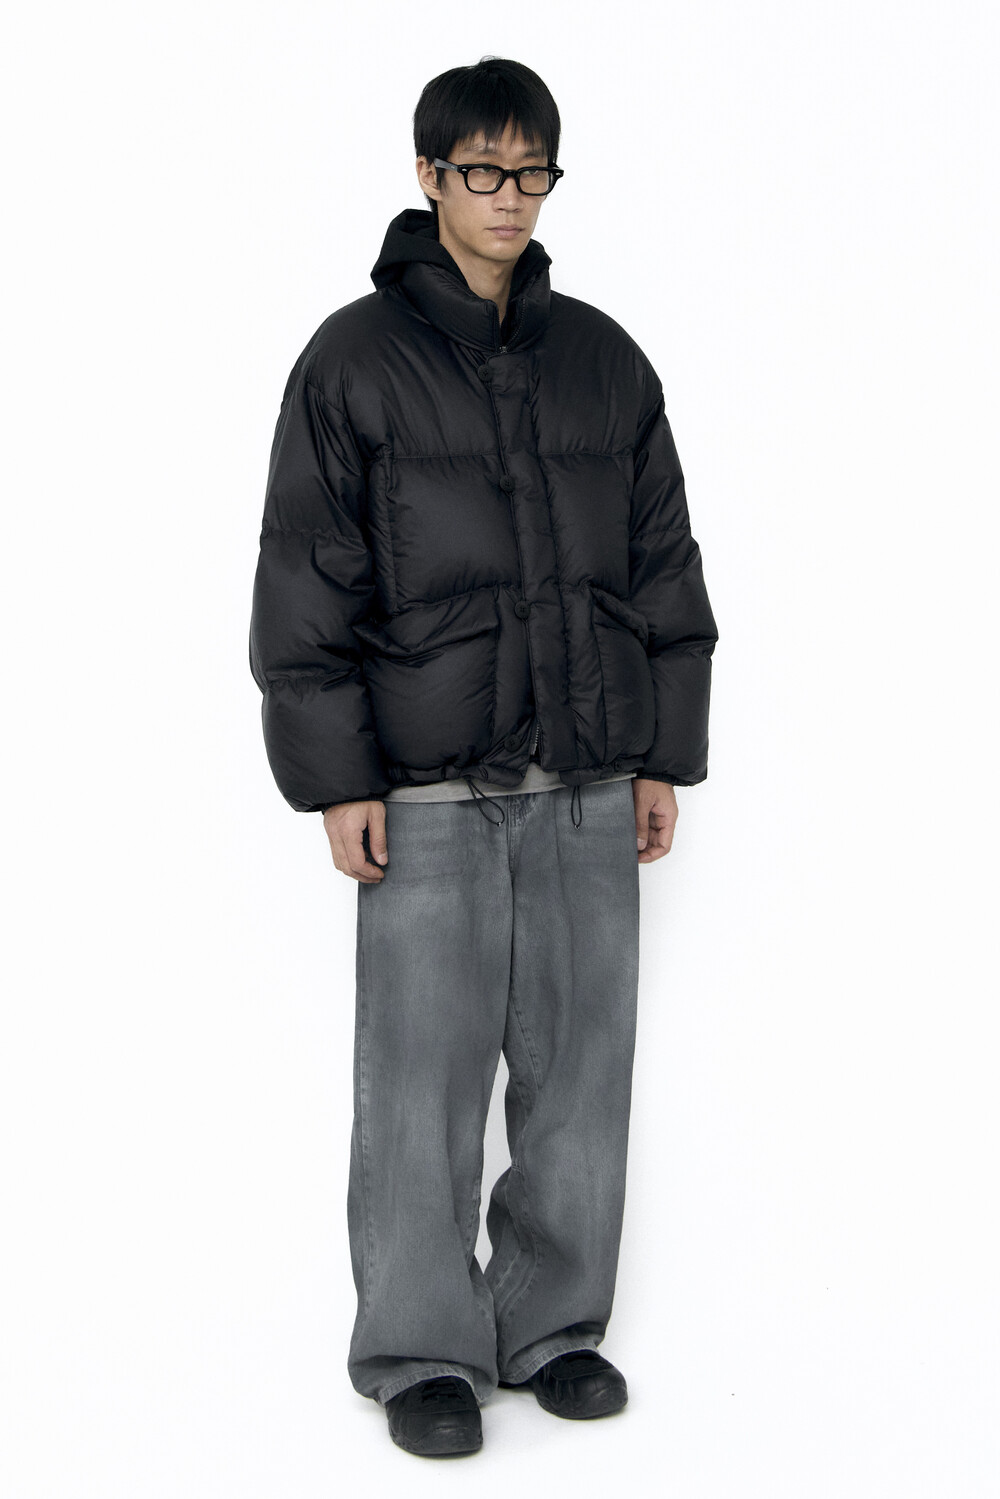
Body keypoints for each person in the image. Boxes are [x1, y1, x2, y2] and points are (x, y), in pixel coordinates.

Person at [249, 56, 718, 1459]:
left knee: (580, 1076)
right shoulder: (352, 361)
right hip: (430, 785)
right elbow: (305, 576)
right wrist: (339, 778)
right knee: (423, 1087)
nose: (509, 199)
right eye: (482, 172)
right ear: (429, 176)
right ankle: (421, 1352)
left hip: (587, 777)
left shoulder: (605, 360)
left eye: (531, 174)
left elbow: (664, 566)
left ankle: (554, 1328)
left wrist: (661, 755)